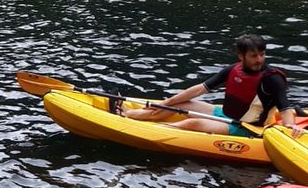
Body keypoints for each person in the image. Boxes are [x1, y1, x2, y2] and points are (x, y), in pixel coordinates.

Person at [123, 35, 304, 137]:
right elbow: (200, 88)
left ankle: (145, 132)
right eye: (254, 56)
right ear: (241, 56)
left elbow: (285, 107)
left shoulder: (272, 78)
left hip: (249, 127)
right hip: (225, 114)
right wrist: (167, 101)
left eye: (262, 55)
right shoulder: (233, 69)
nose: (259, 60)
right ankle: (128, 115)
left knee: (191, 123)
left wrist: (290, 126)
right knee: (177, 106)